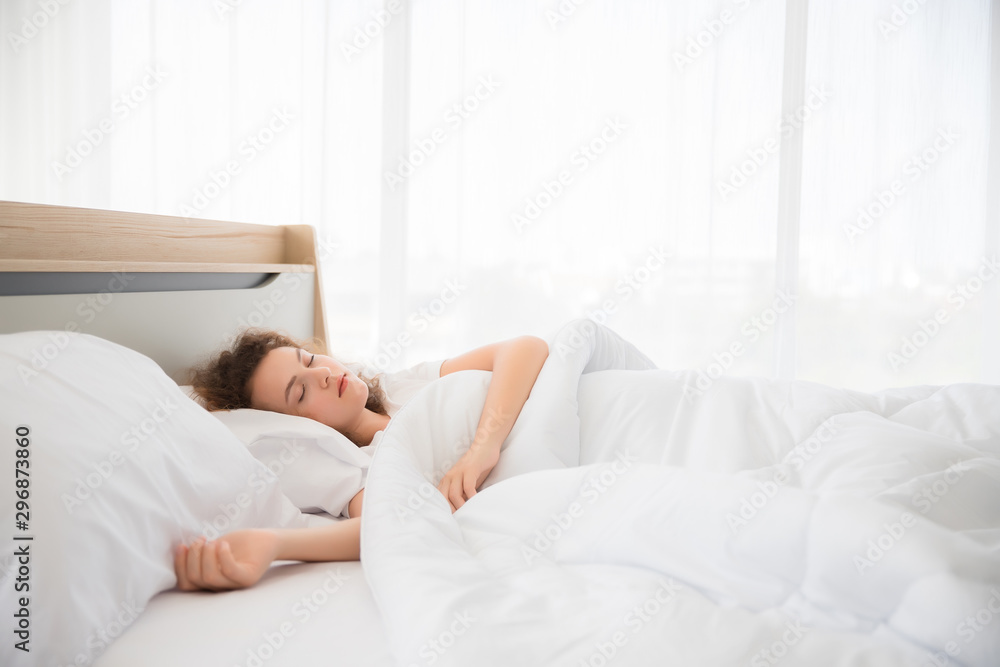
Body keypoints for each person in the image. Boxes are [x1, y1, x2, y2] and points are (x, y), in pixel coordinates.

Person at [174, 329, 549, 592]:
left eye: (309, 360)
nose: (322, 373)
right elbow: (382, 523)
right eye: (300, 392)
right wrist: (276, 545)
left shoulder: (398, 385)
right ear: (293, 425)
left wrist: (483, 445)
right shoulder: (366, 463)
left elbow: (525, 347)